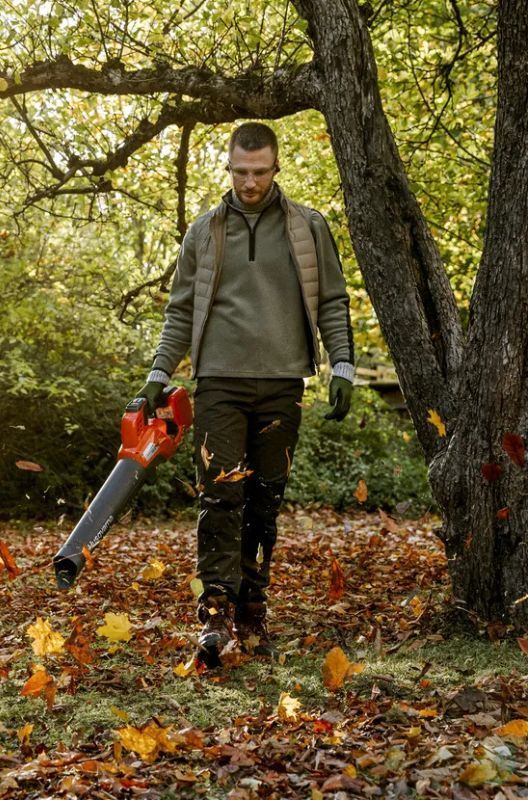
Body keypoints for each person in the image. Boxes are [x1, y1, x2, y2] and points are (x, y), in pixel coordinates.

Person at [138, 122, 355, 666]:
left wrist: (344, 366)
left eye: (259, 172)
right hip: (218, 384)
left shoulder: (308, 228)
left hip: (282, 384)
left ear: (276, 167)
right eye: (240, 172)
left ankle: (252, 615)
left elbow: (332, 299)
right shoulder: (205, 232)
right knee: (220, 497)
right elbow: (181, 311)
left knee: (264, 502)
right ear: (229, 168)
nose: (250, 182)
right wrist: (159, 373)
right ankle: (214, 620)